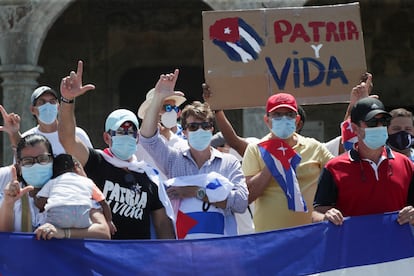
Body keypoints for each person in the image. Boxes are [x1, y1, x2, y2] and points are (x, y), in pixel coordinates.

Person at [58, 60, 175, 240]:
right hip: (102, 257)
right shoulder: (96, 162)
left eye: (131, 132)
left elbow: (161, 223)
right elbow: (68, 140)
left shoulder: (149, 177)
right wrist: (67, 100)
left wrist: (168, 260)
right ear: (107, 137)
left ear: (137, 138)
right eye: (120, 132)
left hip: (137, 260)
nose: (127, 136)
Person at [139, 69, 248, 239]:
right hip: (184, 251)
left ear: (212, 129)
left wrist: (196, 192)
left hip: (220, 250)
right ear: (185, 131)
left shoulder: (229, 162)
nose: (200, 130)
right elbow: (148, 138)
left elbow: (241, 203)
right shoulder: (174, 159)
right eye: (193, 127)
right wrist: (159, 98)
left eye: (205, 126)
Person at [312, 97, 414, 226]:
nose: (379, 126)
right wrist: (326, 217)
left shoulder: (406, 165)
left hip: (396, 245)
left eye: (384, 121)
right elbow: (317, 213)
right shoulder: (334, 168)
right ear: (355, 128)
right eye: (372, 122)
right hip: (352, 245)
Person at [242, 92, 334, 232]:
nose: (284, 119)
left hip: (311, 236)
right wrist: (272, 166)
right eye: (277, 115)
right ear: (267, 120)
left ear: (297, 120)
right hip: (270, 238)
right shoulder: (256, 149)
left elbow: (341, 172)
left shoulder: (314, 147)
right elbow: (246, 197)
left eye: (289, 115)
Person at [0, 134, 110, 240]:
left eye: (42, 159)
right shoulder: (11, 195)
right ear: (19, 166)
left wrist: (64, 233)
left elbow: (103, 232)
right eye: (28, 161)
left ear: (52, 161)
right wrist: (8, 204)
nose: (36, 165)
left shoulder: (73, 189)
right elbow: (4, 239)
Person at [35, 153, 116, 234]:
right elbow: (104, 203)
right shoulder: (88, 182)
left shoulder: (53, 182)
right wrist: (109, 221)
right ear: (77, 166)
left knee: (45, 228)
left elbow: (40, 203)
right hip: (82, 218)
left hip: (59, 216)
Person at [17, 85, 93, 155]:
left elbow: (92, 164)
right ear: (32, 110)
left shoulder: (78, 134)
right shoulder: (26, 139)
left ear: (58, 107)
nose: (48, 106)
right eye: (42, 102)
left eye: (52, 102)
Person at [136, 88, 188, 179]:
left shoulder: (184, 145)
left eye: (174, 108)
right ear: (151, 112)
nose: (171, 112)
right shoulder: (136, 143)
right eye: (167, 108)